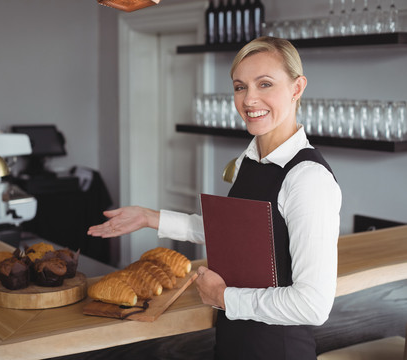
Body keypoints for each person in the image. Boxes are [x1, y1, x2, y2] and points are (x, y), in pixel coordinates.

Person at [88, 36, 341, 360]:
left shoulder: (308, 179)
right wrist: (151, 218)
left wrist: (224, 297)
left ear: (297, 87)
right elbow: (236, 236)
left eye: (265, 84)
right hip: (233, 342)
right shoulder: (249, 161)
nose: (249, 99)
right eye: (240, 87)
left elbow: (313, 305)